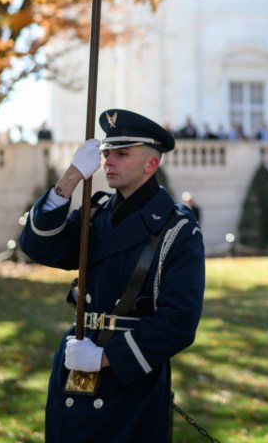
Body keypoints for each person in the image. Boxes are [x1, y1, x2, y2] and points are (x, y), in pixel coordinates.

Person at [19, 109, 205, 442]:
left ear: (151, 164)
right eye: (106, 152)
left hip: (128, 382)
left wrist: (105, 358)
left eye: (122, 153)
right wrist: (72, 176)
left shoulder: (177, 229)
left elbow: (178, 323)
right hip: (76, 364)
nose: (108, 161)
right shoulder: (96, 214)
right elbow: (38, 247)